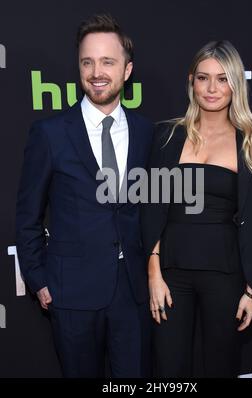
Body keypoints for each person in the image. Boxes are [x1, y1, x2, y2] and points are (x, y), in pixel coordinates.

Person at [141, 40, 252, 378]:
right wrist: (153, 273)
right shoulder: (166, 138)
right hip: (171, 274)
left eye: (223, 79)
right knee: (168, 370)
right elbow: (151, 209)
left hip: (226, 277)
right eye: (203, 78)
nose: (212, 88)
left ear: (236, 85)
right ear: (191, 82)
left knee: (221, 368)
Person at [16, 14, 153, 378]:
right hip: (71, 292)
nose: (96, 72)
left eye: (108, 61)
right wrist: (39, 279)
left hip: (133, 292)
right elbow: (27, 215)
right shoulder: (49, 134)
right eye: (87, 62)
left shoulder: (146, 132)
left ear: (127, 70)